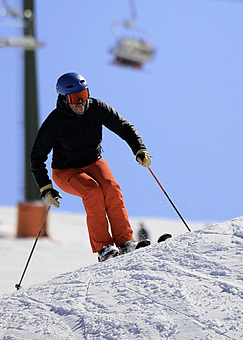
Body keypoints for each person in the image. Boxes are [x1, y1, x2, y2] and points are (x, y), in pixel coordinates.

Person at [30, 72, 152, 262]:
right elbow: (37, 157)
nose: (81, 102)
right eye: (74, 98)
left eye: (84, 95)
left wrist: (139, 148)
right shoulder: (54, 122)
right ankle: (104, 248)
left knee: (111, 189)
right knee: (92, 191)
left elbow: (123, 126)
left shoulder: (96, 108)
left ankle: (125, 241)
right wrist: (46, 188)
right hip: (66, 171)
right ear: (63, 99)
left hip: (94, 162)